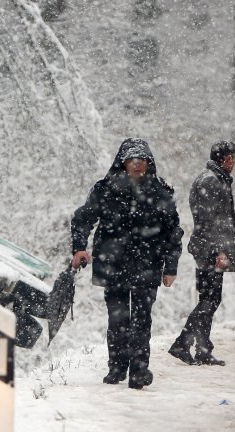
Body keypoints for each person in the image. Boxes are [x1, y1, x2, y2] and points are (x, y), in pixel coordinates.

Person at [71, 138, 183, 389]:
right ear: (122, 162)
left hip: (148, 265)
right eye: (132, 160)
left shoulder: (160, 192)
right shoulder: (106, 189)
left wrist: (171, 266)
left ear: (148, 162)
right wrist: (79, 247)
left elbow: (173, 232)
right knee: (117, 319)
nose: (137, 164)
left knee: (142, 319)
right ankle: (117, 367)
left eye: (141, 160)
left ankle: (139, 371)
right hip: (113, 265)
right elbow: (82, 219)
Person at [169, 141, 235, 366]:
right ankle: (183, 343)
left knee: (208, 298)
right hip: (210, 249)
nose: (233, 163)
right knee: (211, 298)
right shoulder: (211, 181)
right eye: (231, 158)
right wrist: (220, 250)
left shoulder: (213, 179)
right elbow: (211, 220)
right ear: (222, 159)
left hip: (206, 247)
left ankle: (202, 349)